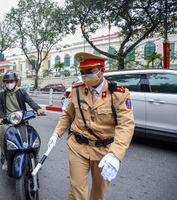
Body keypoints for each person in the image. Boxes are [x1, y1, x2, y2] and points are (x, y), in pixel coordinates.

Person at [47, 52, 135, 200]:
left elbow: (126, 125)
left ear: (102, 71)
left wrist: (115, 154)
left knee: (99, 193)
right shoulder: (77, 90)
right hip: (78, 147)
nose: (85, 76)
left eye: (90, 72)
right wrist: (56, 133)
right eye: (82, 72)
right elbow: (67, 115)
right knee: (77, 191)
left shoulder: (119, 94)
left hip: (104, 150)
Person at [0, 71, 44, 171]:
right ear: (4, 83)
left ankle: (35, 156)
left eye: (11, 81)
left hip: (22, 120)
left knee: (31, 135)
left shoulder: (21, 92)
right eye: (7, 81)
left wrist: (38, 108)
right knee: (0, 132)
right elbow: (0, 109)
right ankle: (5, 157)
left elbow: (30, 101)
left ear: (16, 82)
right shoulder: (2, 95)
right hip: (9, 121)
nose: (9, 83)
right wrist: (1, 117)